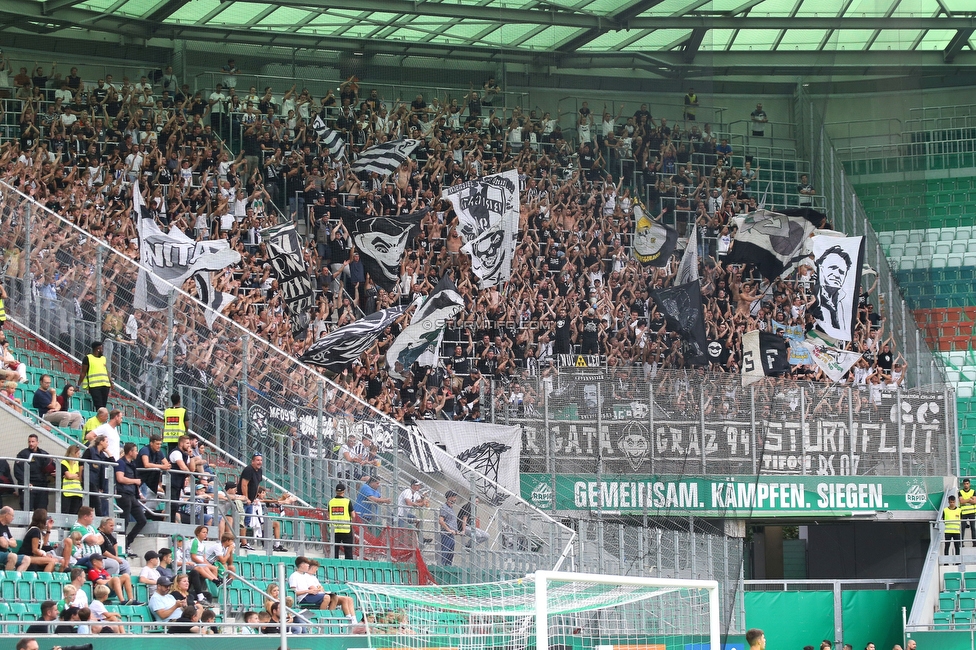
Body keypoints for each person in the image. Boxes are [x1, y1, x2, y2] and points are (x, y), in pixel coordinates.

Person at [812, 245, 853, 334]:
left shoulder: (845, 301)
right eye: (833, 268)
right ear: (821, 268)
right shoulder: (815, 296)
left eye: (842, 272)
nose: (837, 275)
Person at [116, 442, 148, 547]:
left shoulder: (133, 465)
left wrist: (139, 493)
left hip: (132, 495)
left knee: (142, 520)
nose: (137, 453)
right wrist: (134, 481)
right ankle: (120, 545)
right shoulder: (121, 463)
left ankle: (127, 542)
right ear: (130, 452)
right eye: (135, 450)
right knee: (124, 520)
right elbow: (120, 478)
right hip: (123, 494)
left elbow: (136, 482)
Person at [15, 434, 51, 511]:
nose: (31, 444)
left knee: (41, 511)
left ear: (37, 442)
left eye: (33, 441)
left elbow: (51, 467)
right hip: (29, 486)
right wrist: (25, 483)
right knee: (27, 511)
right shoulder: (23, 454)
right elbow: (18, 471)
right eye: (29, 442)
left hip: (42, 486)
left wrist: (54, 473)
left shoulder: (43, 454)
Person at [78, 340, 112, 410]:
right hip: (94, 386)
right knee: (99, 406)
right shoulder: (87, 358)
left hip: (105, 385)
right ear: (98, 349)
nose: (103, 350)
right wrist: (78, 385)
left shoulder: (103, 358)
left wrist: (111, 382)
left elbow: (106, 371)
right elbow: (83, 373)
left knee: (103, 406)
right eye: (102, 348)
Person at [239, 453, 263, 548]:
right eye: (257, 460)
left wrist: (255, 498)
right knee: (241, 520)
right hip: (244, 501)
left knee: (246, 521)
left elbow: (257, 485)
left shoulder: (260, 471)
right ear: (252, 461)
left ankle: (243, 543)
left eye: (260, 460)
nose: (259, 462)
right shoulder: (248, 469)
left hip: (251, 501)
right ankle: (242, 541)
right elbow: (244, 484)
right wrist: (246, 498)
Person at [138, 434, 171, 507]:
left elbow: (167, 464)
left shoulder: (159, 452)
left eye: (160, 444)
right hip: (139, 477)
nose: (159, 446)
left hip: (149, 479)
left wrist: (165, 466)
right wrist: (162, 466)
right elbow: (146, 464)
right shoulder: (145, 449)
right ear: (151, 443)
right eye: (157, 444)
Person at [0, 506, 31, 571]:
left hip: (5, 553)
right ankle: (7, 580)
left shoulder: (5, 527)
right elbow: (3, 544)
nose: (13, 518)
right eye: (12, 516)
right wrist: (9, 541)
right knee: (13, 556)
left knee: (27, 559)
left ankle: (15, 579)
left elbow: (14, 544)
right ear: (6, 515)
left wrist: (7, 541)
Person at [329, 483, 354, 560]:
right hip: (346, 529)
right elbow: (353, 515)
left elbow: (328, 514)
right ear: (344, 491)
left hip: (334, 530)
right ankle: (349, 567)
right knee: (348, 550)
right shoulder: (347, 501)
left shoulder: (331, 502)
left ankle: (334, 565)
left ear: (335, 491)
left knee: (334, 550)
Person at [60, 444, 84, 514]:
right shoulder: (64, 462)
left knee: (75, 514)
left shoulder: (78, 463)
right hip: (67, 493)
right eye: (78, 453)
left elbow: (80, 477)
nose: (79, 456)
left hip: (78, 493)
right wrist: (77, 475)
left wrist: (74, 476)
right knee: (66, 513)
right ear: (73, 453)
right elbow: (69, 476)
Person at [438, 490, 460, 566]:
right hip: (446, 534)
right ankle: (442, 567)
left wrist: (455, 531)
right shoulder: (445, 507)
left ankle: (448, 566)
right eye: (454, 497)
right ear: (449, 498)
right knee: (445, 552)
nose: (455, 499)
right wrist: (449, 530)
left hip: (451, 534)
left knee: (450, 554)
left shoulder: (451, 508)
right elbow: (441, 521)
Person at [961, 478, 976, 546]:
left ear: (969, 484)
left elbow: (974, 501)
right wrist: (969, 499)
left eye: (967, 484)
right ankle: (961, 543)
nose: (966, 485)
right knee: (962, 528)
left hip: (972, 512)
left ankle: (974, 543)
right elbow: (961, 501)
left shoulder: (973, 491)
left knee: (973, 528)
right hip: (963, 513)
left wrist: (965, 500)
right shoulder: (960, 492)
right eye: (964, 484)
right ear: (963, 484)